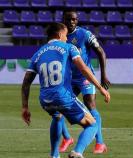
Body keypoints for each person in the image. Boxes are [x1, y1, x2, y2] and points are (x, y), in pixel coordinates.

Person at [21, 22, 110, 158]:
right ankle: (77, 152)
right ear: (59, 34)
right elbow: (84, 69)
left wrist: (25, 107)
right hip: (62, 96)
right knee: (92, 125)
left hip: (45, 100)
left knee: (57, 117)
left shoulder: (37, 53)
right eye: (65, 35)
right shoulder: (69, 47)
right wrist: (100, 88)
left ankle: (54, 155)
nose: (67, 38)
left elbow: (26, 82)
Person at [58, 10, 111, 154]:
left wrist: (103, 75)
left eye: (74, 19)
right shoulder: (60, 36)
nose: (71, 22)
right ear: (63, 19)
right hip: (68, 78)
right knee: (59, 109)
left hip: (84, 77)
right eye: (68, 19)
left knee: (90, 105)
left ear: (77, 20)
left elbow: (101, 51)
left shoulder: (85, 34)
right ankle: (67, 138)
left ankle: (99, 143)